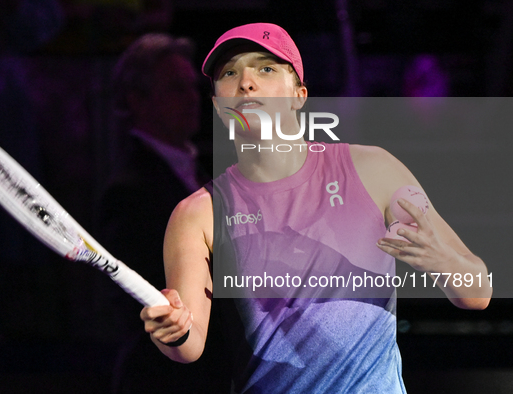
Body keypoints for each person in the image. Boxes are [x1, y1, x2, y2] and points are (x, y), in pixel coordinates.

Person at [139, 23, 492, 393]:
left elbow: (477, 291)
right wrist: (172, 330)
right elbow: (188, 344)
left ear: (299, 94)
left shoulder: (374, 170)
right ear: (217, 105)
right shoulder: (197, 214)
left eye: (266, 68)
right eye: (229, 73)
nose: (245, 82)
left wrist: (444, 262)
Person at [98, 33, 229, 393]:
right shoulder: (129, 191)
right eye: (175, 88)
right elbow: (144, 302)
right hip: (168, 380)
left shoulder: (203, 173)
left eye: (191, 87)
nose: (191, 98)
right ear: (137, 100)